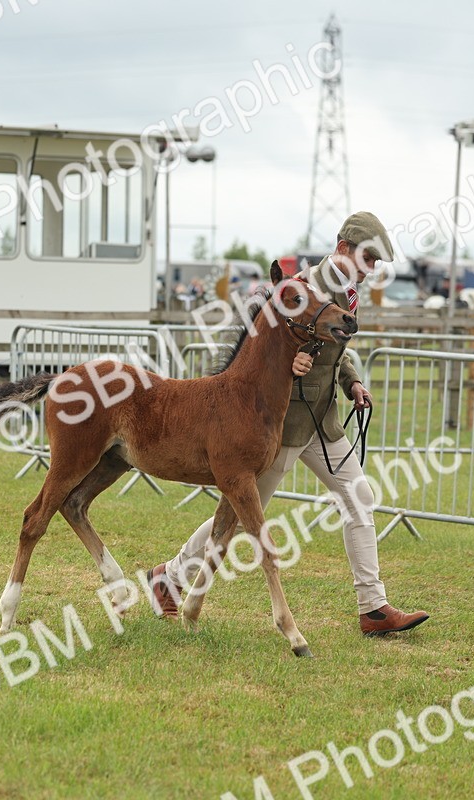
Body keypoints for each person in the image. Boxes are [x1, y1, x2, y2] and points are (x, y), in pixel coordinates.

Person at [148, 212, 430, 637]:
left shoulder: (348, 292)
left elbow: (336, 352)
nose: (372, 269)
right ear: (342, 249)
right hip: (279, 426)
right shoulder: (302, 289)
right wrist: (293, 365)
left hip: (323, 421)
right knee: (239, 513)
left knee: (360, 498)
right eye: (368, 257)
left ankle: (373, 608)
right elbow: (265, 346)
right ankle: (169, 576)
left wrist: (352, 383)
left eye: (376, 262)